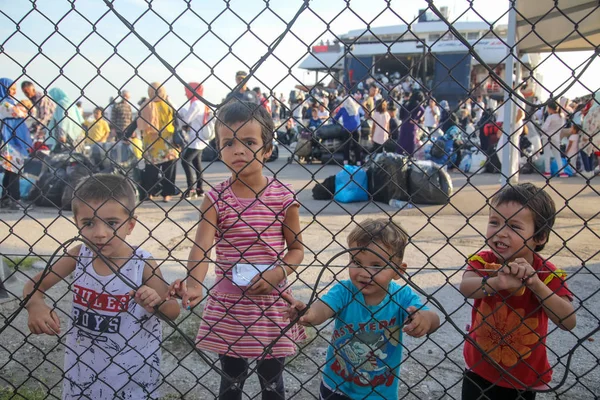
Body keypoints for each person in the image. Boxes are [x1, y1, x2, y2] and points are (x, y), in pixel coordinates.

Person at [168, 101, 305, 400]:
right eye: (228, 142)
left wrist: (277, 273)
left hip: (270, 300)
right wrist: (193, 283)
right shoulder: (216, 198)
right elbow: (202, 246)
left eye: (249, 141)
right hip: (229, 304)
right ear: (218, 149)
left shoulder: (284, 197)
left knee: (272, 381)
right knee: (231, 380)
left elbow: (296, 250)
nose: (238, 149)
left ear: (267, 149)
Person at [23, 173, 180, 399]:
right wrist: (35, 305)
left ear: (130, 224)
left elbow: (173, 310)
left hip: (133, 377)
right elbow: (33, 285)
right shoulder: (78, 255)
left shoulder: (141, 263)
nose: (100, 233)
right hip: (82, 372)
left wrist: (156, 302)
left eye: (112, 223)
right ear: (77, 224)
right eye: (88, 223)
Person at [283, 218, 440, 399]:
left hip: (380, 393)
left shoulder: (403, 296)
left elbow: (433, 318)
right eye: (357, 262)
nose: (364, 273)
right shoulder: (344, 291)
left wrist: (426, 319)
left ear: (398, 270)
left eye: (376, 265)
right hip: (336, 387)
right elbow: (321, 310)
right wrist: (307, 313)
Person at [459, 183, 575, 400]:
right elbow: (466, 287)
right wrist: (496, 282)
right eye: (494, 222)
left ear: (539, 237)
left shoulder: (546, 273)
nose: (501, 233)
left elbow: (567, 320)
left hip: (522, 379)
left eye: (514, 227)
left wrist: (535, 285)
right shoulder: (484, 261)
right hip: (478, 367)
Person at [138, 82, 180, 202]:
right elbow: (177, 121)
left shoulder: (146, 105)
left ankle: (150, 193)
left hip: (157, 143)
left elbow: (137, 123)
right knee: (167, 171)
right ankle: (164, 194)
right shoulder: (167, 105)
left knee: (152, 171)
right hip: (164, 142)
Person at [0, 78, 33, 210]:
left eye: (15, 88)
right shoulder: (4, 103)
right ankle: (15, 199)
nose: (14, 91)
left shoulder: (9, 102)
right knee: (14, 171)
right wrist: (22, 108)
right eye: (11, 88)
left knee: (10, 171)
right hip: (9, 143)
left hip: (14, 142)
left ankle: (5, 198)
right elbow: (21, 112)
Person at [179, 82, 213, 199]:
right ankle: (200, 189)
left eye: (186, 91)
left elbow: (186, 120)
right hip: (202, 138)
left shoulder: (195, 104)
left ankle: (191, 189)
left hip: (196, 139)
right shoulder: (202, 102)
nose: (184, 94)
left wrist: (181, 112)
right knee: (196, 163)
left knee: (185, 161)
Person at [47, 88, 85, 153]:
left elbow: (63, 121)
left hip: (68, 137)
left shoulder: (61, 104)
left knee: (69, 157)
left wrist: (62, 135)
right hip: (77, 134)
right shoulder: (69, 102)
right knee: (79, 156)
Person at [541, 101, 568, 178]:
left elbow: (544, 128)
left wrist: (542, 131)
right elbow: (563, 127)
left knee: (547, 154)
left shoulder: (550, 117)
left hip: (546, 136)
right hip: (556, 136)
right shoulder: (561, 117)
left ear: (550, 108)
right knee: (557, 154)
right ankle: (561, 172)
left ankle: (547, 171)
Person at [334, 97, 363, 165]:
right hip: (357, 128)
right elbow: (362, 114)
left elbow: (335, 118)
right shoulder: (357, 107)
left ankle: (346, 161)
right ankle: (358, 161)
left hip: (347, 129)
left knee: (346, 146)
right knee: (357, 145)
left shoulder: (343, 109)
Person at [397, 91, 425, 156]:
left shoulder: (406, 103)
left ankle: (399, 155)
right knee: (410, 144)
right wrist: (417, 119)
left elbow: (401, 114)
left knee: (402, 141)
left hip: (404, 124)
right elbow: (422, 110)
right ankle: (409, 158)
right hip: (412, 125)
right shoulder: (417, 103)